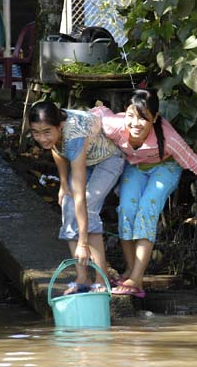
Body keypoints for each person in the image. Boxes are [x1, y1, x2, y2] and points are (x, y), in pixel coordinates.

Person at [94, 89, 197, 298]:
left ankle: (137, 279)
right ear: (124, 113)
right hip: (136, 168)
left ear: (155, 118)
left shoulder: (168, 138)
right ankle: (131, 271)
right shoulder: (117, 126)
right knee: (127, 209)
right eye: (131, 116)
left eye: (143, 118)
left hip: (165, 168)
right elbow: (98, 115)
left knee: (147, 207)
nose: (135, 123)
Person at [29, 101, 124, 294]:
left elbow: (80, 196)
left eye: (47, 132)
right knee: (67, 206)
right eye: (36, 133)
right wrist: (63, 184)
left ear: (60, 126)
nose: (41, 138)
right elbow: (57, 149)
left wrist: (83, 243)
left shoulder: (75, 134)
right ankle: (83, 278)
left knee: (87, 205)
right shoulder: (56, 130)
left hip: (109, 159)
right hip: (83, 159)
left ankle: (101, 277)